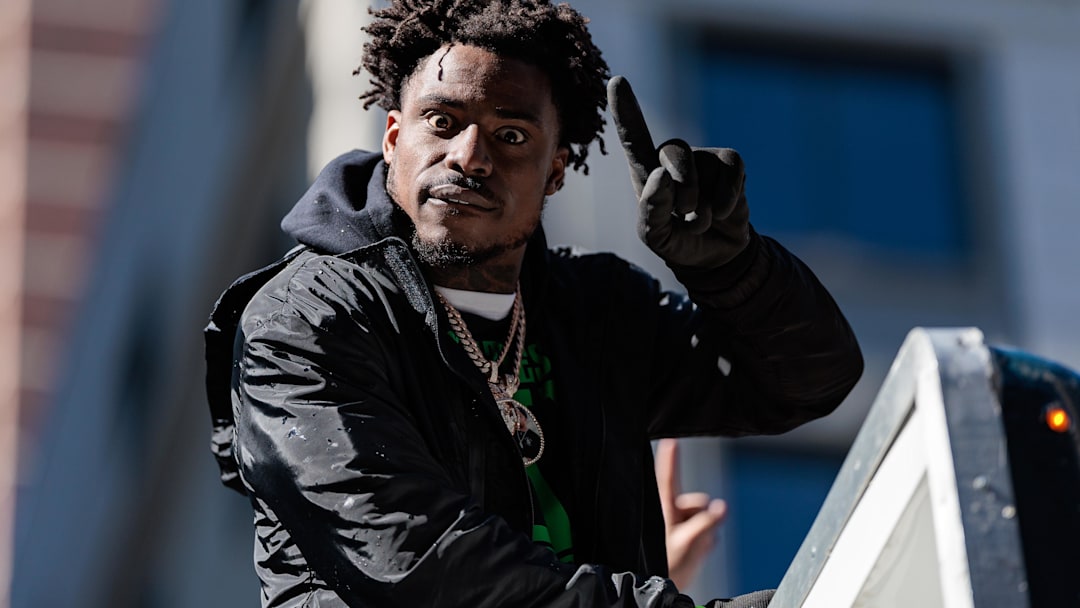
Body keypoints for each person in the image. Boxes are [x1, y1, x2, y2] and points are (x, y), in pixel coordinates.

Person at [203, 1, 863, 606]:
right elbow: (416, 560)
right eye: (443, 121)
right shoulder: (306, 319)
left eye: (511, 135)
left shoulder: (597, 313)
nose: (469, 157)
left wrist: (730, 266)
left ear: (556, 170)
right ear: (393, 136)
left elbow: (808, 381)